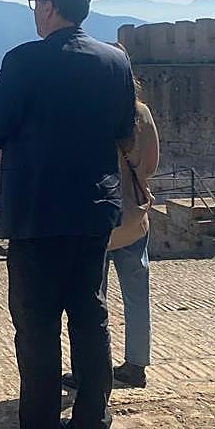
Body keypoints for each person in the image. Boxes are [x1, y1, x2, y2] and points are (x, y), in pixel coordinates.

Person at [0, 0, 137, 429]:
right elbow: (124, 129)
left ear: (47, 7)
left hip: (36, 213)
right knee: (91, 316)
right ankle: (92, 417)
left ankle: (40, 421)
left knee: (36, 327)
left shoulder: (23, 60)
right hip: (94, 211)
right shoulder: (115, 61)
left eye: (35, 5)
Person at [64, 84, 160, 393]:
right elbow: (151, 165)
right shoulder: (140, 112)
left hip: (96, 221)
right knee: (137, 296)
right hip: (133, 216)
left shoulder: (86, 112)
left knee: (91, 302)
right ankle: (136, 365)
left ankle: (91, 370)